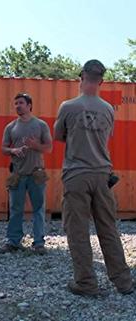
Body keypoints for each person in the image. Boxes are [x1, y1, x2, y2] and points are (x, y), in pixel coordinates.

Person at [53, 60, 134, 296]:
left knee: (78, 231)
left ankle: (86, 283)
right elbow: (107, 138)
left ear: (82, 77)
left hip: (76, 175)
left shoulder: (67, 106)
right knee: (108, 229)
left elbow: (58, 136)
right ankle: (123, 282)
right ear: (101, 81)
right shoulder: (108, 109)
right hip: (102, 175)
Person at [0, 92, 52, 254]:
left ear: (29, 105)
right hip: (17, 174)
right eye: (16, 104)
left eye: (21, 103)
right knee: (16, 210)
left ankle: (38, 243)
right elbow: (3, 149)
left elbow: (49, 148)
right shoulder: (10, 127)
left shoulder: (41, 125)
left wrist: (35, 145)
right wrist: (13, 150)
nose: (18, 106)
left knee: (38, 209)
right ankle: (13, 242)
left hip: (36, 174)